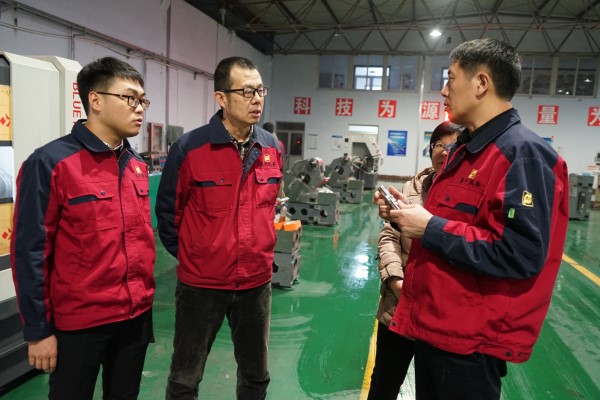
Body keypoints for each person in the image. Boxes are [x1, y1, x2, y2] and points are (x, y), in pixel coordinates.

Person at [376, 38, 569, 399]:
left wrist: (429, 228)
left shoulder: (521, 155)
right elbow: (459, 222)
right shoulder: (465, 152)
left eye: (450, 78)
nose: (443, 90)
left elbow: (520, 253)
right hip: (436, 329)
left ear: (481, 83)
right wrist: (407, 215)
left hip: (468, 344)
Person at [10, 57, 155, 399]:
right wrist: (38, 330)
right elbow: (30, 252)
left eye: (142, 100)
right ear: (95, 100)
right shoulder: (51, 163)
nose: (139, 108)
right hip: (79, 324)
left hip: (134, 317)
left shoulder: (136, 165)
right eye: (130, 98)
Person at [156, 56, 283, 400]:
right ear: (221, 98)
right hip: (201, 286)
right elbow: (167, 212)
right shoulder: (190, 148)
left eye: (260, 90)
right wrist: (195, 256)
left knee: (256, 376)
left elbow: (268, 208)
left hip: (256, 283)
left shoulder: (271, 147)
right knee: (185, 379)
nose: (257, 99)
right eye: (246, 92)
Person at [368, 121, 462, 400]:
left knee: (434, 389)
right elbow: (389, 237)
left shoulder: (465, 197)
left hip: (440, 315)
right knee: (383, 383)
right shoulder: (412, 188)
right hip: (397, 308)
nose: (444, 151)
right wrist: (397, 282)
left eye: (453, 146)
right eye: (439, 145)